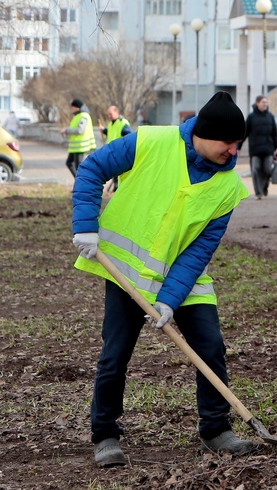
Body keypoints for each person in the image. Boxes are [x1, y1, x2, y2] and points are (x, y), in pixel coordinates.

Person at [71, 91, 255, 468]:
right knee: (115, 354)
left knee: (210, 346)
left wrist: (170, 298)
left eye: (239, 144)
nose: (234, 151)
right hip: (128, 273)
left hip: (184, 278)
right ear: (203, 134)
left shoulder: (228, 188)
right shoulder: (150, 141)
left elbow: (199, 251)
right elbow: (92, 169)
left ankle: (216, 429)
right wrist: (86, 225)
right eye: (228, 142)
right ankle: (104, 433)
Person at [241, 95, 277, 200]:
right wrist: (238, 146)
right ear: (257, 103)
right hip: (255, 149)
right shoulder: (251, 117)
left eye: (266, 103)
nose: (265, 104)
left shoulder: (270, 117)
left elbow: (274, 133)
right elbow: (245, 133)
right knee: (255, 170)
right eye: (263, 102)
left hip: (268, 149)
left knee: (268, 169)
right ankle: (258, 192)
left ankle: (264, 186)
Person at [100, 105, 134, 192]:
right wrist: (104, 130)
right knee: (114, 171)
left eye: (111, 114)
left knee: (120, 172)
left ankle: (119, 188)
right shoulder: (111, 124)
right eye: (108, 114)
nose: (109, 116)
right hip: (112, 151)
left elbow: (129, 135)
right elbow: (111, 132)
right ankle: (115, 187)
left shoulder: (123, 123)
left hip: (120, 152)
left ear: (117, 113)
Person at [63, 99, 97, 178]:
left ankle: (82, 184)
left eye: (73, 107)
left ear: (77, 107)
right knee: (70, 163)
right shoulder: (78, 116)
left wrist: (67, 130)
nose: (72, 109)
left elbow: (80, 130)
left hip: (80, 145)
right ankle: (79, 182)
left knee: (78, 167)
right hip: (75, 146)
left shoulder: (84, 116)